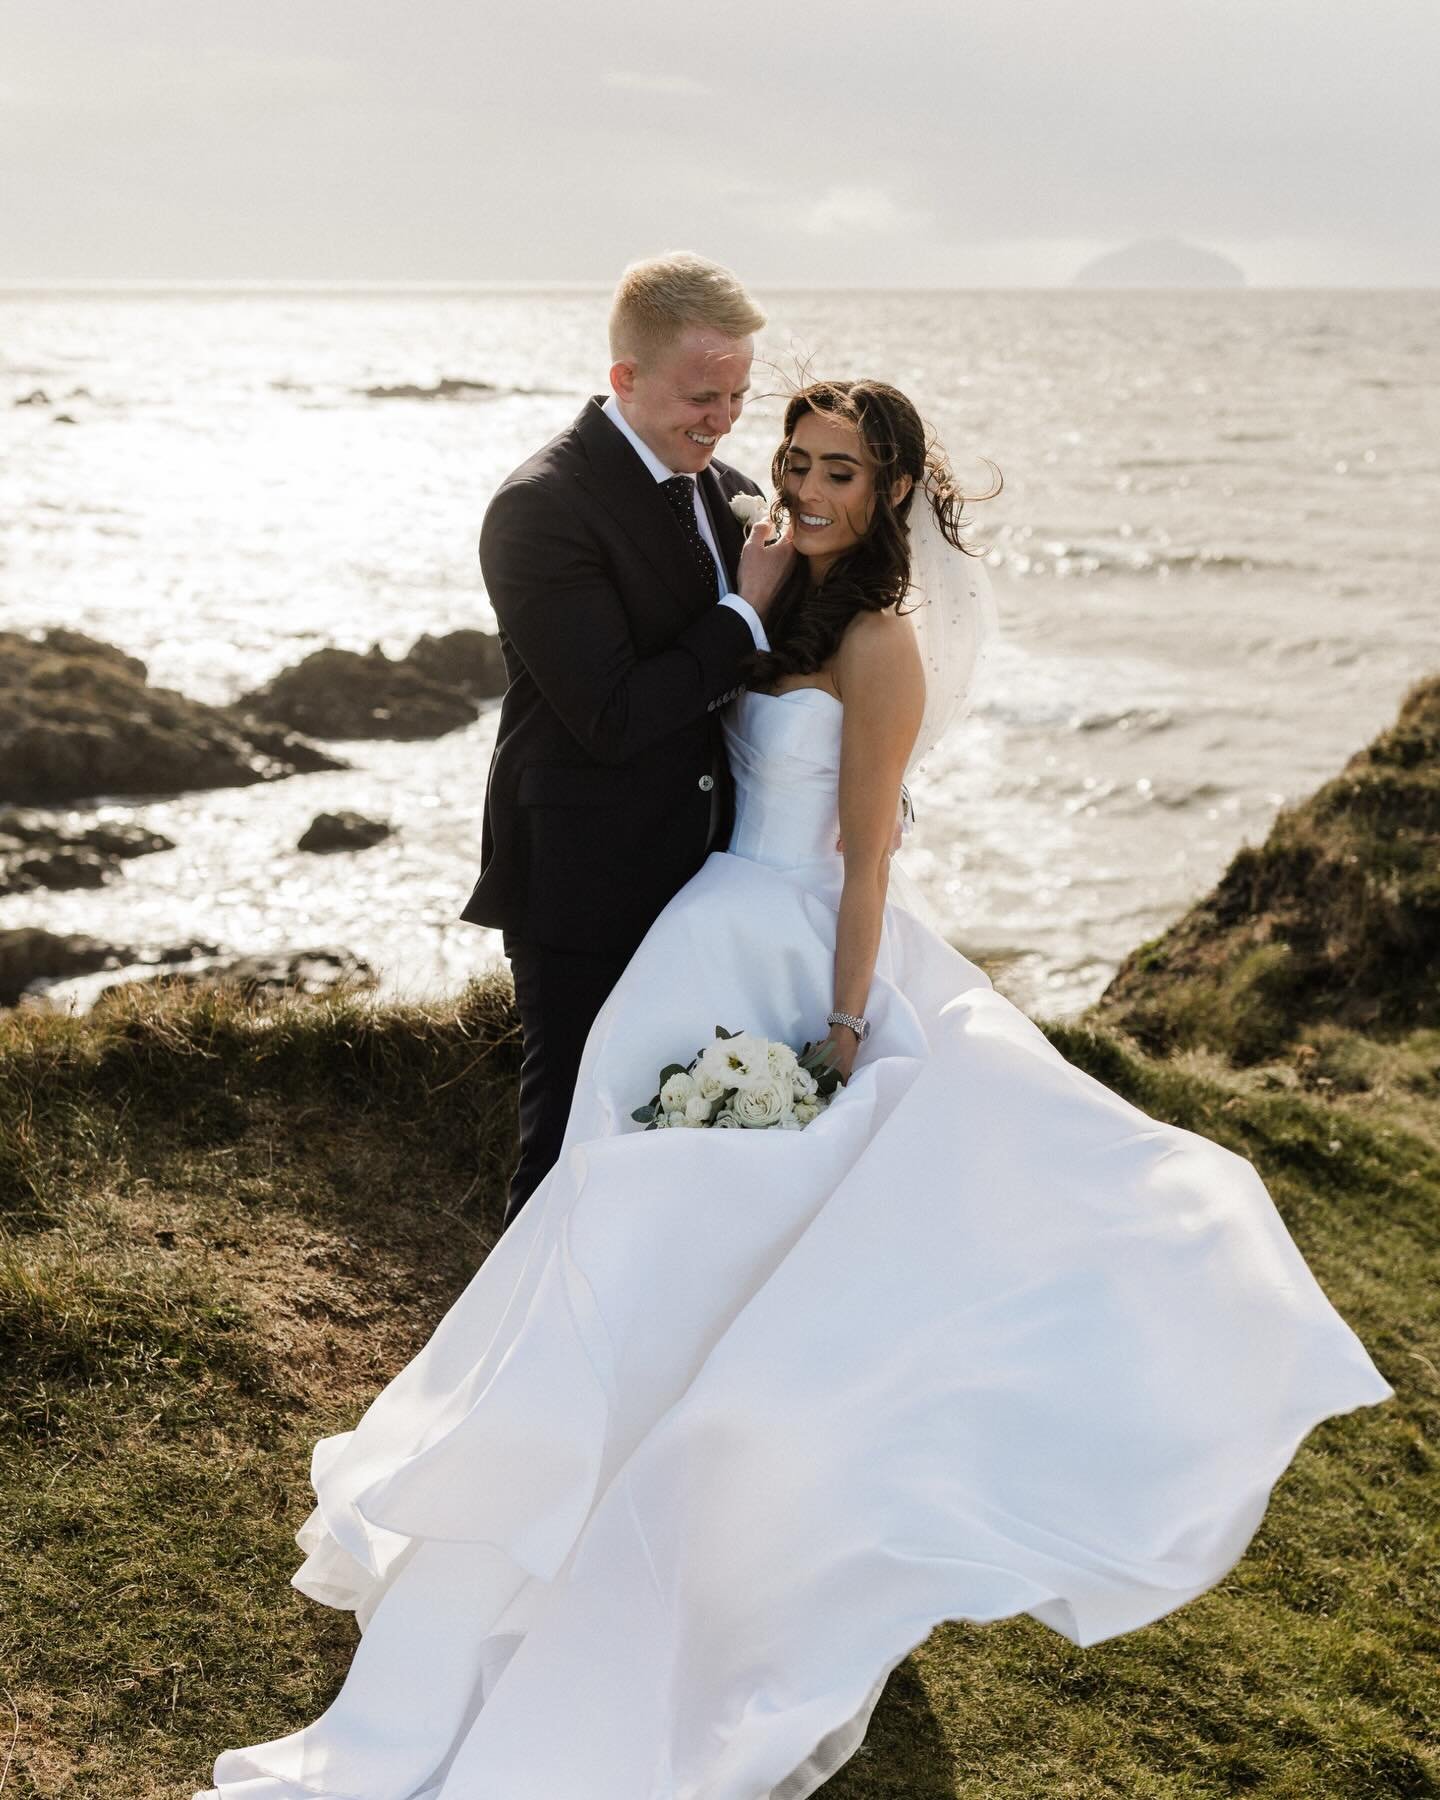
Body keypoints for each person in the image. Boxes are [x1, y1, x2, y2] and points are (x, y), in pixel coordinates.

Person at [198, 380, 1390, 1800]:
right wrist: (747, 594)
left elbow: (869, 853)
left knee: (743, 1258)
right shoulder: (763, 588)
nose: (808, 487)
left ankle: (721, 1539)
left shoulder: (885, 643)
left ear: (892, 493)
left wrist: (837, 1025)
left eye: (840, 471)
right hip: (696, 937)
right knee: (617, 1219)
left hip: (797, 959)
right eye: (796, 460)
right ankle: (552, 1494)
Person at [459, 250, 796, 1227]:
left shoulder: (726, 487)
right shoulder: (541, 508)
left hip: (716, 875)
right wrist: (744, 613)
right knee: (566, 1140)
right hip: (584, 876)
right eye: (702, 395)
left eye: (736, 394)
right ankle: (522, 1362)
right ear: (626, 379)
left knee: (678, 1138)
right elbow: (611, 714)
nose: (724, 418)